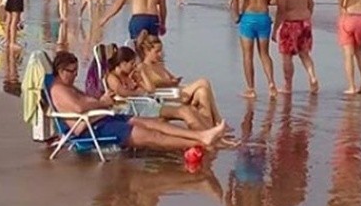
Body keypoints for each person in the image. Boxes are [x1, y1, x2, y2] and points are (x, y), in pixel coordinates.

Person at [49, 51, 229, 152]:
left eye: (75, 71)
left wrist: (101, 103)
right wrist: (102, 103)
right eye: (70, 71)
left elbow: (86, 102)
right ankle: (201, 142)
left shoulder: (68, 86)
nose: (74, 75)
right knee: (152, 137)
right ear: (59, 69)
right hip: (89, 129)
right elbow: (79, 107)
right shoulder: (58, 89)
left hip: (100, 119)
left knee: (152, 124)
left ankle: (201, 135)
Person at [135, 31, 225, 129]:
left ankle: (209, 128)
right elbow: (150, 87)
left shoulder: (159, 65)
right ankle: (218, 119)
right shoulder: (143, 67)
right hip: (166, 97)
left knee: (202, 92)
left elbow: (171, 78)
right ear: (147, 51)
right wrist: (166, 83)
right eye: (157, 51)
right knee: (204, 82)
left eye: (161, 51)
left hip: (175, 92)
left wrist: (173, 81)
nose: (160, 54)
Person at [105, 46, 208, 130]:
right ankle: (203, 139)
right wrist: (139, 93)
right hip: (136, 109)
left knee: (190, 110)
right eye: (132, 64)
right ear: (123, 63)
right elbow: (121, 92)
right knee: (185, 112)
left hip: (146, 104)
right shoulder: (112, 77)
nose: (133, 66)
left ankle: (207, 133)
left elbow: (151, 90)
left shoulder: (128, 75)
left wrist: (142, 73)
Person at [230, 0, 279, 98]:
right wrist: (264, 1)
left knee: (247, 55)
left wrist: (236, 16)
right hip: (263, 17)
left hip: (248, 18)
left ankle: (251, 88)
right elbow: (275, 0)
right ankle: (271, 83)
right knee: (264, 54)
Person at [271, 0, 319, 94]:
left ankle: (288, 85)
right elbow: (311, 4)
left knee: (286, 56)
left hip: (291, 24)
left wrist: (275, 30)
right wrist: (307, 17)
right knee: (304, 54)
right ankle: (313, 77)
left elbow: (281, 11)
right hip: (305, 22)